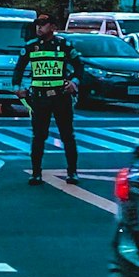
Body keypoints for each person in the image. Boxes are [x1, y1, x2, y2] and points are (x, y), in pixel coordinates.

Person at [12, 11, 84, 186]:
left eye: (43, 24)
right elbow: (18, 69)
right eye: (37, 24)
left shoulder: (64, 45)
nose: (39, 27)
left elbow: (79, 66)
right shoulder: (31, 46)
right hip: (39, 98)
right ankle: (36, 174)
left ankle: (72, 172)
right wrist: (17, 88)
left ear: (52, 27)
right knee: (38, 136)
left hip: (60, 97)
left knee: (67, 135)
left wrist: (74, 82)